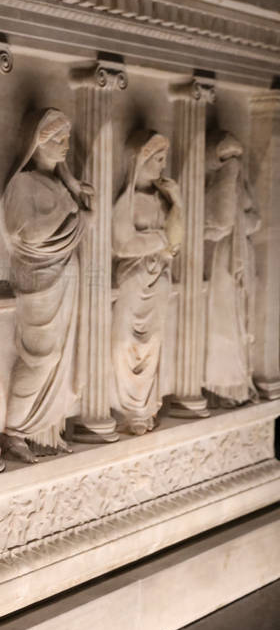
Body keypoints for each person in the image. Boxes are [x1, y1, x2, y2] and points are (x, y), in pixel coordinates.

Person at [1, 109, 92, 462]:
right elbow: (26, 231)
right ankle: (13, 430)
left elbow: (87, 223)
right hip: (38, 280)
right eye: (56, 139)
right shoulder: (22, 184)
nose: (65, 146)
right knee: (41, 357)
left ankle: (45, 431)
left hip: (66, 276)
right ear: (35, 143)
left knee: (60, 360)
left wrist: (72, 190)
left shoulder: (59, 185)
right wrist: (70, 208)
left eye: (66, 139)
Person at [110, 131, 182, 434]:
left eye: (164, 159)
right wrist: (161, 239)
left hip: (159, 281)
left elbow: (176, 243)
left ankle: (142, 408)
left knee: (153, 344)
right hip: (132, 280)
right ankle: (125, 404)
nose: (163, 166)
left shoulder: (162, 201)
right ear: (141, 160)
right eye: (158, 159)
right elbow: (122, 244)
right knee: (124, 344)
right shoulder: (126, 201)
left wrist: (177, 201)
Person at [204, 131, 260, 407]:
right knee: (226, 320)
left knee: (242, 320)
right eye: (230, 159)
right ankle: (224, 385)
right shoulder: (219, 184)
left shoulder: (239, 185)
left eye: (237, 158)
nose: (235, 164)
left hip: (241, 257)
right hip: (224, 261)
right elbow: (220, 221)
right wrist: (238, 222)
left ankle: (240, 383)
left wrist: (242, 222)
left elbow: (256, 219)